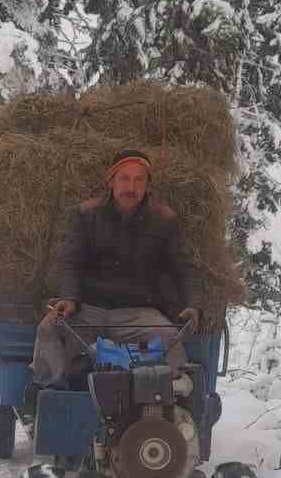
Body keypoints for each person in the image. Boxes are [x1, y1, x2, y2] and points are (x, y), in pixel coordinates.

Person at [31, 149, 202, 387]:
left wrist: (192, 303)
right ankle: (50, 392)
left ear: (147, 184)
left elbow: (184, 266)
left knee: (169, 338)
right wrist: (69, 298)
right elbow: (71, 260)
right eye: (124, 178)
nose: (131, 187)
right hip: (89, 309)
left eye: (139, 179)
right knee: (49, 328)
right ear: (111, 181)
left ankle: (175, 404)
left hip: (137, 313)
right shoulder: (87, 214)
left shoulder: (163, 220)